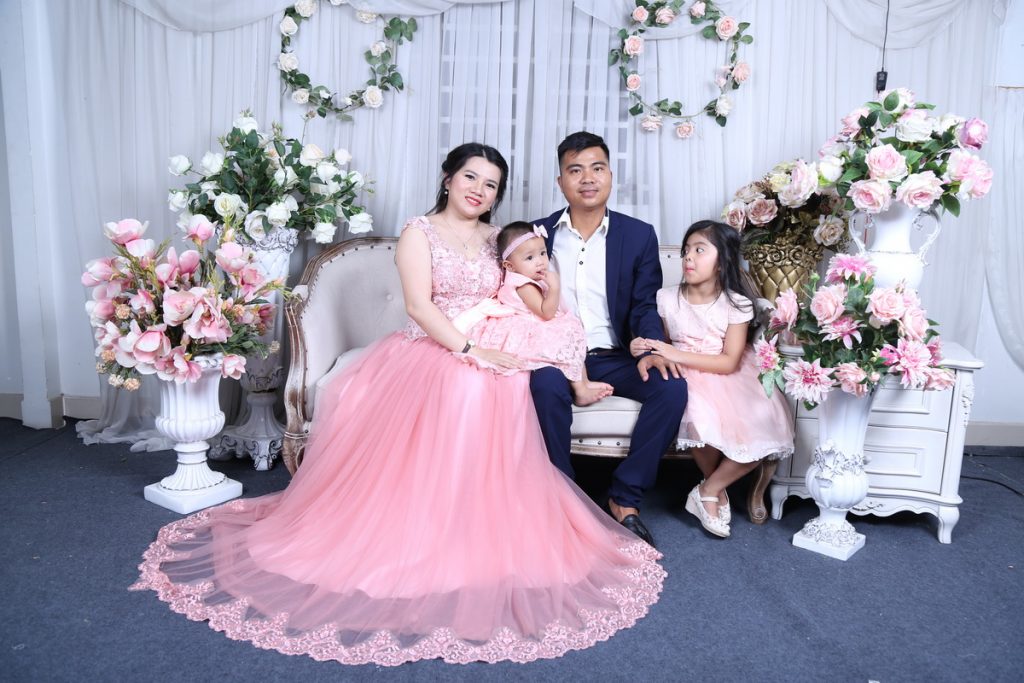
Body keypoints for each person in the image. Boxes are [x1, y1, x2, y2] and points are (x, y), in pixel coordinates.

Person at [132, 143, 664, 666]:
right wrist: (471, 350)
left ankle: (494, 526)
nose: (479, 191)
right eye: (471, 177)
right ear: (448, 178)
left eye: (491, 185)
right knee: (469, 387)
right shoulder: (419, 231)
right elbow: (418, 306)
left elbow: (516, 295)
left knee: (514, 384)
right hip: (436, 344)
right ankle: (433, 529)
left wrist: (520, 334)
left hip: (493, 337)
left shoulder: (496, 238)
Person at [531, 131, 688, 549]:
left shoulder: (638, 235)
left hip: (614, 354)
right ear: (560, 181)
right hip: (555, 355)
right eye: (575, 170)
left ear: (610, 176)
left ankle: (625, 498)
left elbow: (643, 304)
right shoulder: (537, 235)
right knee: (544, 386)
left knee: (671, 388)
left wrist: (649, 346)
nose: (588, 178)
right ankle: (563, 498)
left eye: (597, 168)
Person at [631, 220, 794, 538]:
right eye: (686, 251)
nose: (688, 257)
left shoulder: (736, 304)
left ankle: (709, 489)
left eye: (699, 250)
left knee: (763, 424)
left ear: (722, 261)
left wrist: (675, 353)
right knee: (698, 416)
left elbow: (730, 361)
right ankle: (713, 492)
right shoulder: (666, 298)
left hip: (725, 371)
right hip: (685, 375)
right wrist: (643, 347)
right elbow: (660, 347)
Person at [463, 221, 588, 386]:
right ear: (510, 266)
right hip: (528, 328)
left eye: (542, 253)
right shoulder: (524, 285)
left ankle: (584, 382)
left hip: (533, 321)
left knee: (570, 334)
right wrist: (555, 288)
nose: (540, 261)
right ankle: (580, 387)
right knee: (567, 334)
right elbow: (546, 313)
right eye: (530, 258)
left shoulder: (527, 278)